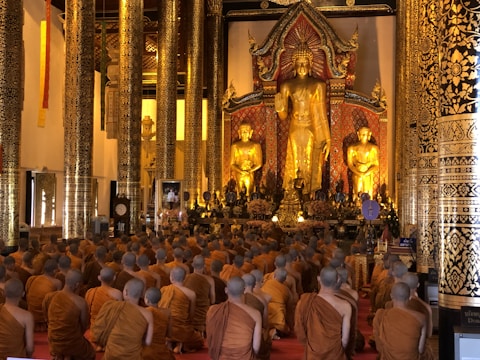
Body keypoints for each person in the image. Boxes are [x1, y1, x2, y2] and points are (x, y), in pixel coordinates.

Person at [275, 41, 331, 195]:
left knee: (307, 159)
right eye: (299, 63)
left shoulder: (318, 85)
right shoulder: (287, 85)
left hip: (310, 126)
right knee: (295, 159)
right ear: (294, 65)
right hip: (295, 126)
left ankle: (307, 194)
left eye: (305, 63)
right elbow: (284, 116)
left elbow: (321, 112)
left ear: (310, 64)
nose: (302, 67)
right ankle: (293, 193)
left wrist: (327, 138)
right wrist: (279, 108)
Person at [295, 266, 352, 359]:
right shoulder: (345, 305)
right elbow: (345, 339)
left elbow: (299, 330)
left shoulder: (304, 301)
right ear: (338, 280)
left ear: (318, 279)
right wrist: (337, 352)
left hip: (312, 354)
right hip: (335, 355)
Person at [91, 278, 154, 359]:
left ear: (125, 292)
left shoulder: (111, 306)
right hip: (132, 356)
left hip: (111, 356)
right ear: (142, 294)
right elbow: (148, 342)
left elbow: (98, 331)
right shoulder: (148, 314)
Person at [42, 269, 96, 360]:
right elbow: (84, 325)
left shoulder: (49, 297)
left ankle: (61, 354)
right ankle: (69, 354)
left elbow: (46, 318)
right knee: (91, 354)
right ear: (77, 285)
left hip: (54, 342)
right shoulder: (81, 302)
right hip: (72, 342)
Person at [206, 276, 262, 360]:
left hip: (219, 357)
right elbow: (256, 348)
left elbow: (210, 340)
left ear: (226, 290)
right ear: (244, 290)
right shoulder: (255, 314)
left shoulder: (212, 310)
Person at [373, 281, 427, 360]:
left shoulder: (380, 315)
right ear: (410, 297)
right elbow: (420, 350)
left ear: (391, 296)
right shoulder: (421, 318)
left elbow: (379, 347)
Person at [159, 266, 204, 353]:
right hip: (181, 329)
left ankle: (169, 341)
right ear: (184, 279)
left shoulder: (163, 290)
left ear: (171, 277)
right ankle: (181, 344)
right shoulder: (191, 294)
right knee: (199, 340)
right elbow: (191, 315)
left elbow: (159, 310)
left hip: (164, 329)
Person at [0, 278, 34, 359]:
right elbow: (30, 348)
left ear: (3, 293)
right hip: (15, 357)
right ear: (23, 294)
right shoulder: (27, 316)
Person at [25, 258, 62, 331]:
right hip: (45, 317)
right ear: (55, 271)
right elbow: (57, 301)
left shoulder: (33, 278)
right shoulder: (57, 282)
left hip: (32, 315)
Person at [184, 255, 215, 334]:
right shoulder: (210, 280)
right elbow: (213, 300)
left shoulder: (186, 278)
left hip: (188, 314)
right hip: (202, 315)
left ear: (192, 265)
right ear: (204, 266)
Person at [230, 121, 263, 197]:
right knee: (239, 193)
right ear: (239, 132)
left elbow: (259, 163)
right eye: (243, 131)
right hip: (239, 172)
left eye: (246, 131)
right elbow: (232, 164)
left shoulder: (255, 145)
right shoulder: (235, 146)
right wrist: (241, 171)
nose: (244, 133)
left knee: (249, 193)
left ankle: (249, 203)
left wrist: (249, 170)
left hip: (250, 172)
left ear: (250, 132)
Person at [347, 126, 379, 201]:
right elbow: (350, 164)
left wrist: (366, 173)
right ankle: (356, 207)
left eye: (366, 134)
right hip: (357, 173)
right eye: (362, 134)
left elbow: (376, 165)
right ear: (358, 134)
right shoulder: (352, 148)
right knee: (357, 192)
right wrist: (359, 173)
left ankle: (368, 208)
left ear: (369, 135)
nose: (364, 137)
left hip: (368, 174)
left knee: (367, 192)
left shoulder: (373, 148)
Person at [142, 287, 175, 360]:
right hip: (161, 352)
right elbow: (169, 334)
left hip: (145, 352)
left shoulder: (144, 312)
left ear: (146, 300)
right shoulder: (167, 313)